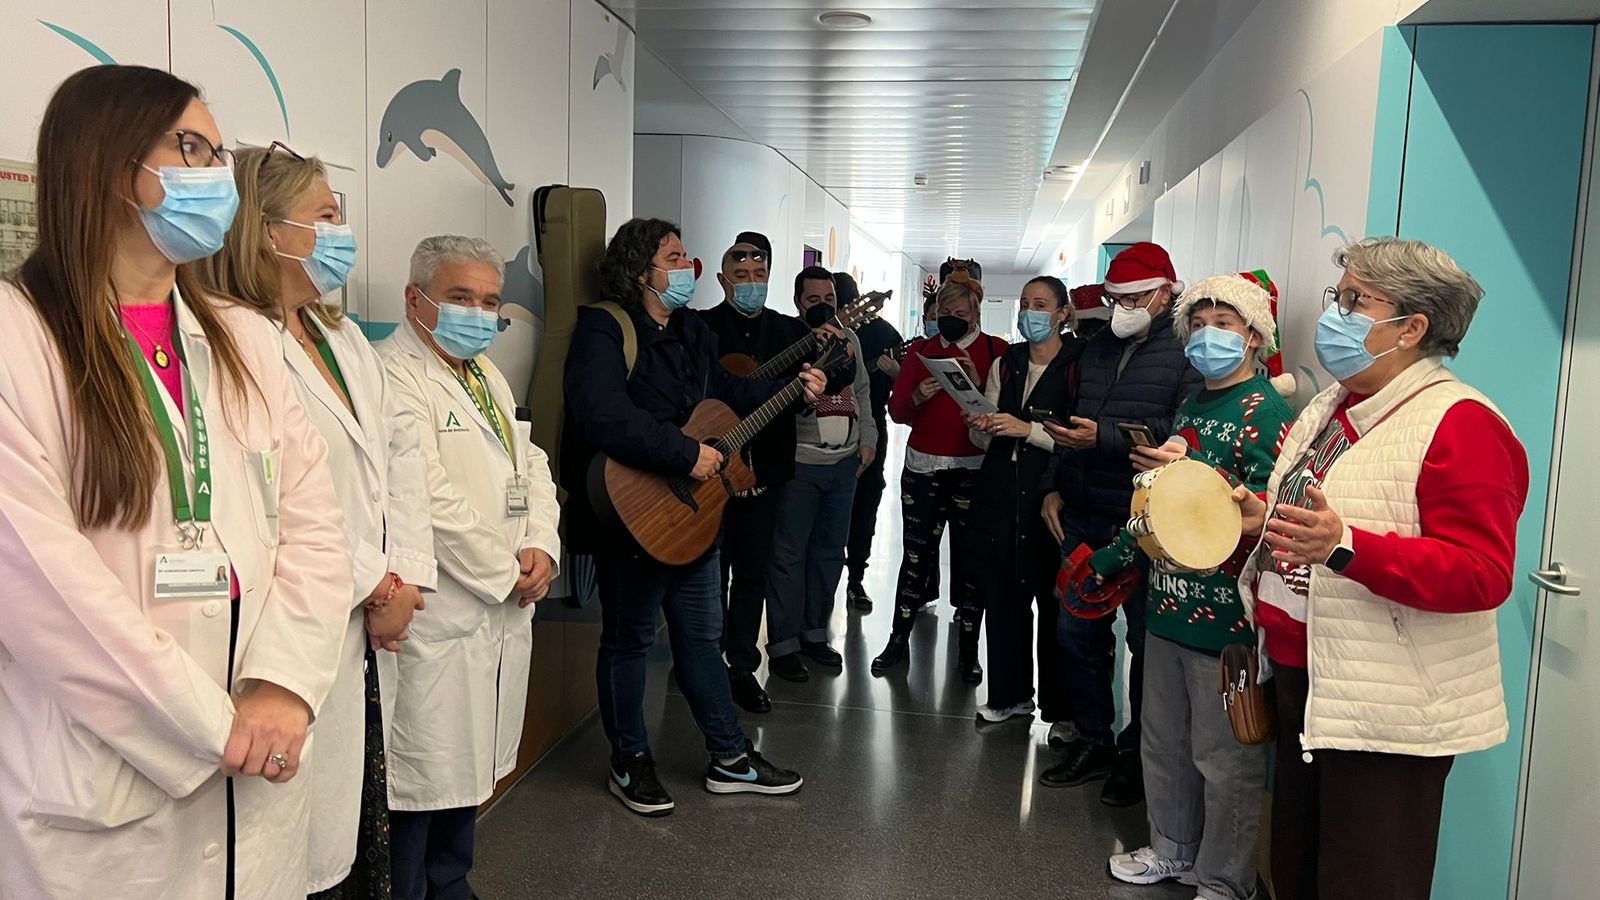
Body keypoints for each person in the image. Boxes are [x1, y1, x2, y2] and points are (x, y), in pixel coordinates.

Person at [0, 65, 352, 900]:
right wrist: (213, 724)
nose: (215, 177)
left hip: (259, 770)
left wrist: (281, 687)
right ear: (110, 161)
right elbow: (41, 587)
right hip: (106, 790)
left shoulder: (244, 340)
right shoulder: (18, 338)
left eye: (216, 152)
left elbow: (315, 527)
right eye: (191, 147)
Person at [1234, 238, 1528, 900]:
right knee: (1299, 870)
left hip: (1388, 708)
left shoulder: (1461, 423)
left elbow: (1482, 573)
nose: (1336, 313)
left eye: (1355, 301)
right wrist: (1264, 519)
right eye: (1339, 296)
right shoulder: (1334, 405)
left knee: (1366, 880)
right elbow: (1320, 516)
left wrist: (1346, 545)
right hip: (1309, 677)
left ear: (1413, 327)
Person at [195, 144, 437, 899]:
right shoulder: (234, 337)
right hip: (302, 618)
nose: (341, 233)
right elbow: (285, 497)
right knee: (292, 850)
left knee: (350, 833)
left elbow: (398, 458)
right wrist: (375, 582)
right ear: (263, 231)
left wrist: (406, 580)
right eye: (324, 218)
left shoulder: (339, 338)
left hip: (370, 617)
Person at [563, 218, 824, 817]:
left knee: (702, 640)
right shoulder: (606, 327)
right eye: (674, 257)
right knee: (628, 640)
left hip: (694, 514)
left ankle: (730, 758)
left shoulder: (692, 330)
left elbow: (729, 397)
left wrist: (792, 390)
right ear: (640, 270)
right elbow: (601, 415)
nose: (688, 267)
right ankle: (630, 762)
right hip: (635, 512)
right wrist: (685, 453)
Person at [1087, 273, 1295, 900]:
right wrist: (1118, 553)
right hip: (1168, 605)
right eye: (1198, 325)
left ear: (1255, 336)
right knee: (1164, 742)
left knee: (1225, 759)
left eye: (1224, 325)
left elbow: (1266, 508)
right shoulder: (1193, 404)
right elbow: (1169, 505)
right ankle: (1172, 850)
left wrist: (1191, 473)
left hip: (1227, 623)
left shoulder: (1266, 410)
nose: (1208, 337)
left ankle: (1225, 880)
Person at [377, 236, 561, 900]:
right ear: (415, 299)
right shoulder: (393, 375)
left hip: (499, 608)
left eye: (489, 301)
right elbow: (427, 496)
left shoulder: (484, 374)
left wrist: (541, 544)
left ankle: (451, 884)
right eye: (461, 298)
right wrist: (504, 569)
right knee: (422, 779)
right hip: (442, 615)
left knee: (463, 770)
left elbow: (530, 466)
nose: (479, 314)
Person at [1038, 241, 1201, 807]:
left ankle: (1136, 754)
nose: (1122, 308)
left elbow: (1181, 428)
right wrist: (1055, 481)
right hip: (1083, 510)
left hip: (1144, 522)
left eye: (1133, 298)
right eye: (1114, 298)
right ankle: (1092, 738)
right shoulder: (1100, 348)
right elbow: (1077, 416)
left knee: (1144, 643)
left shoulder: (1187, 350)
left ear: (1166, 292)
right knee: (1076, 631)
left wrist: (1104, 438)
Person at [873, 275, 1008, 679]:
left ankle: (969, 649)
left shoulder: (996, 352)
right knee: (915, 558)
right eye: (944, 313)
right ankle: (897, 639)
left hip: (973, 471)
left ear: (976, 314)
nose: (951, 320)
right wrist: (918, 395)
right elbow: (897, 412)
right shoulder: (921, 352)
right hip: (923, 468)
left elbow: (1005, 412)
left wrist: (977, 382)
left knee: (971, 562)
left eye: (960, 314)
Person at [695, 232, 808, 710]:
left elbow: (831, 379)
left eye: (759, 275)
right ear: (723, 280)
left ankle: (742, 668)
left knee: (753, 573)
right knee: (706, 573)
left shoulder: (789, 332)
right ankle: (701, 664)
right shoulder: (697, 329)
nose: (751, 283)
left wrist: (829, 368)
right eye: (740, 276)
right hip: (711, 471)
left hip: (767, 470)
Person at [966, 276, 1084, 729]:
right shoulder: (1007, 363)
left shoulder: (1079, 366)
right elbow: (985, 436)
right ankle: (1009, 695)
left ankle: (1061, 711)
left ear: (1062, 313)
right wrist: (981, 423)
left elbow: (1081, 441)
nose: (1030, 312)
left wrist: (1027, 430)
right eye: (1024, 303)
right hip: (999, 495)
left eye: (1040, 304)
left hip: (1053, 499)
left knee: (1055, 606)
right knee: (1003, 599)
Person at [764, 267, 876, 677]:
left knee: (829, 554)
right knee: (789, 555)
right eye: (814, 300)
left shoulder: (852, 341)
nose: (824, 306)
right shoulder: (788, 341)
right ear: (798, 303)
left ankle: (815, 634)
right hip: (800, 467)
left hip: (844, 467)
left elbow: (861, 390)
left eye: (829, 299)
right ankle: (783, 645)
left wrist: (869, 440)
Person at [838, 272, 904, 613]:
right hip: (817, 433)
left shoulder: (882, 333)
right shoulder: (809, 333)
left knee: (865, 503)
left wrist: (892, 372)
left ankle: (856, 579)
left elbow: (903, 380)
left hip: (870, 427)